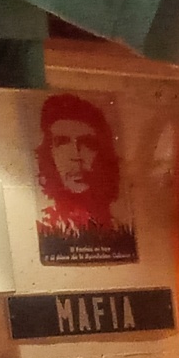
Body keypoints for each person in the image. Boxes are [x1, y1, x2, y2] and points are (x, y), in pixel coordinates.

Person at [34, 93, 135, 264]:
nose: (76, 155)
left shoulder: (121, 230)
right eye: (62, 142)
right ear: (48, 154)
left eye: (88, 143)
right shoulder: (48, 230)